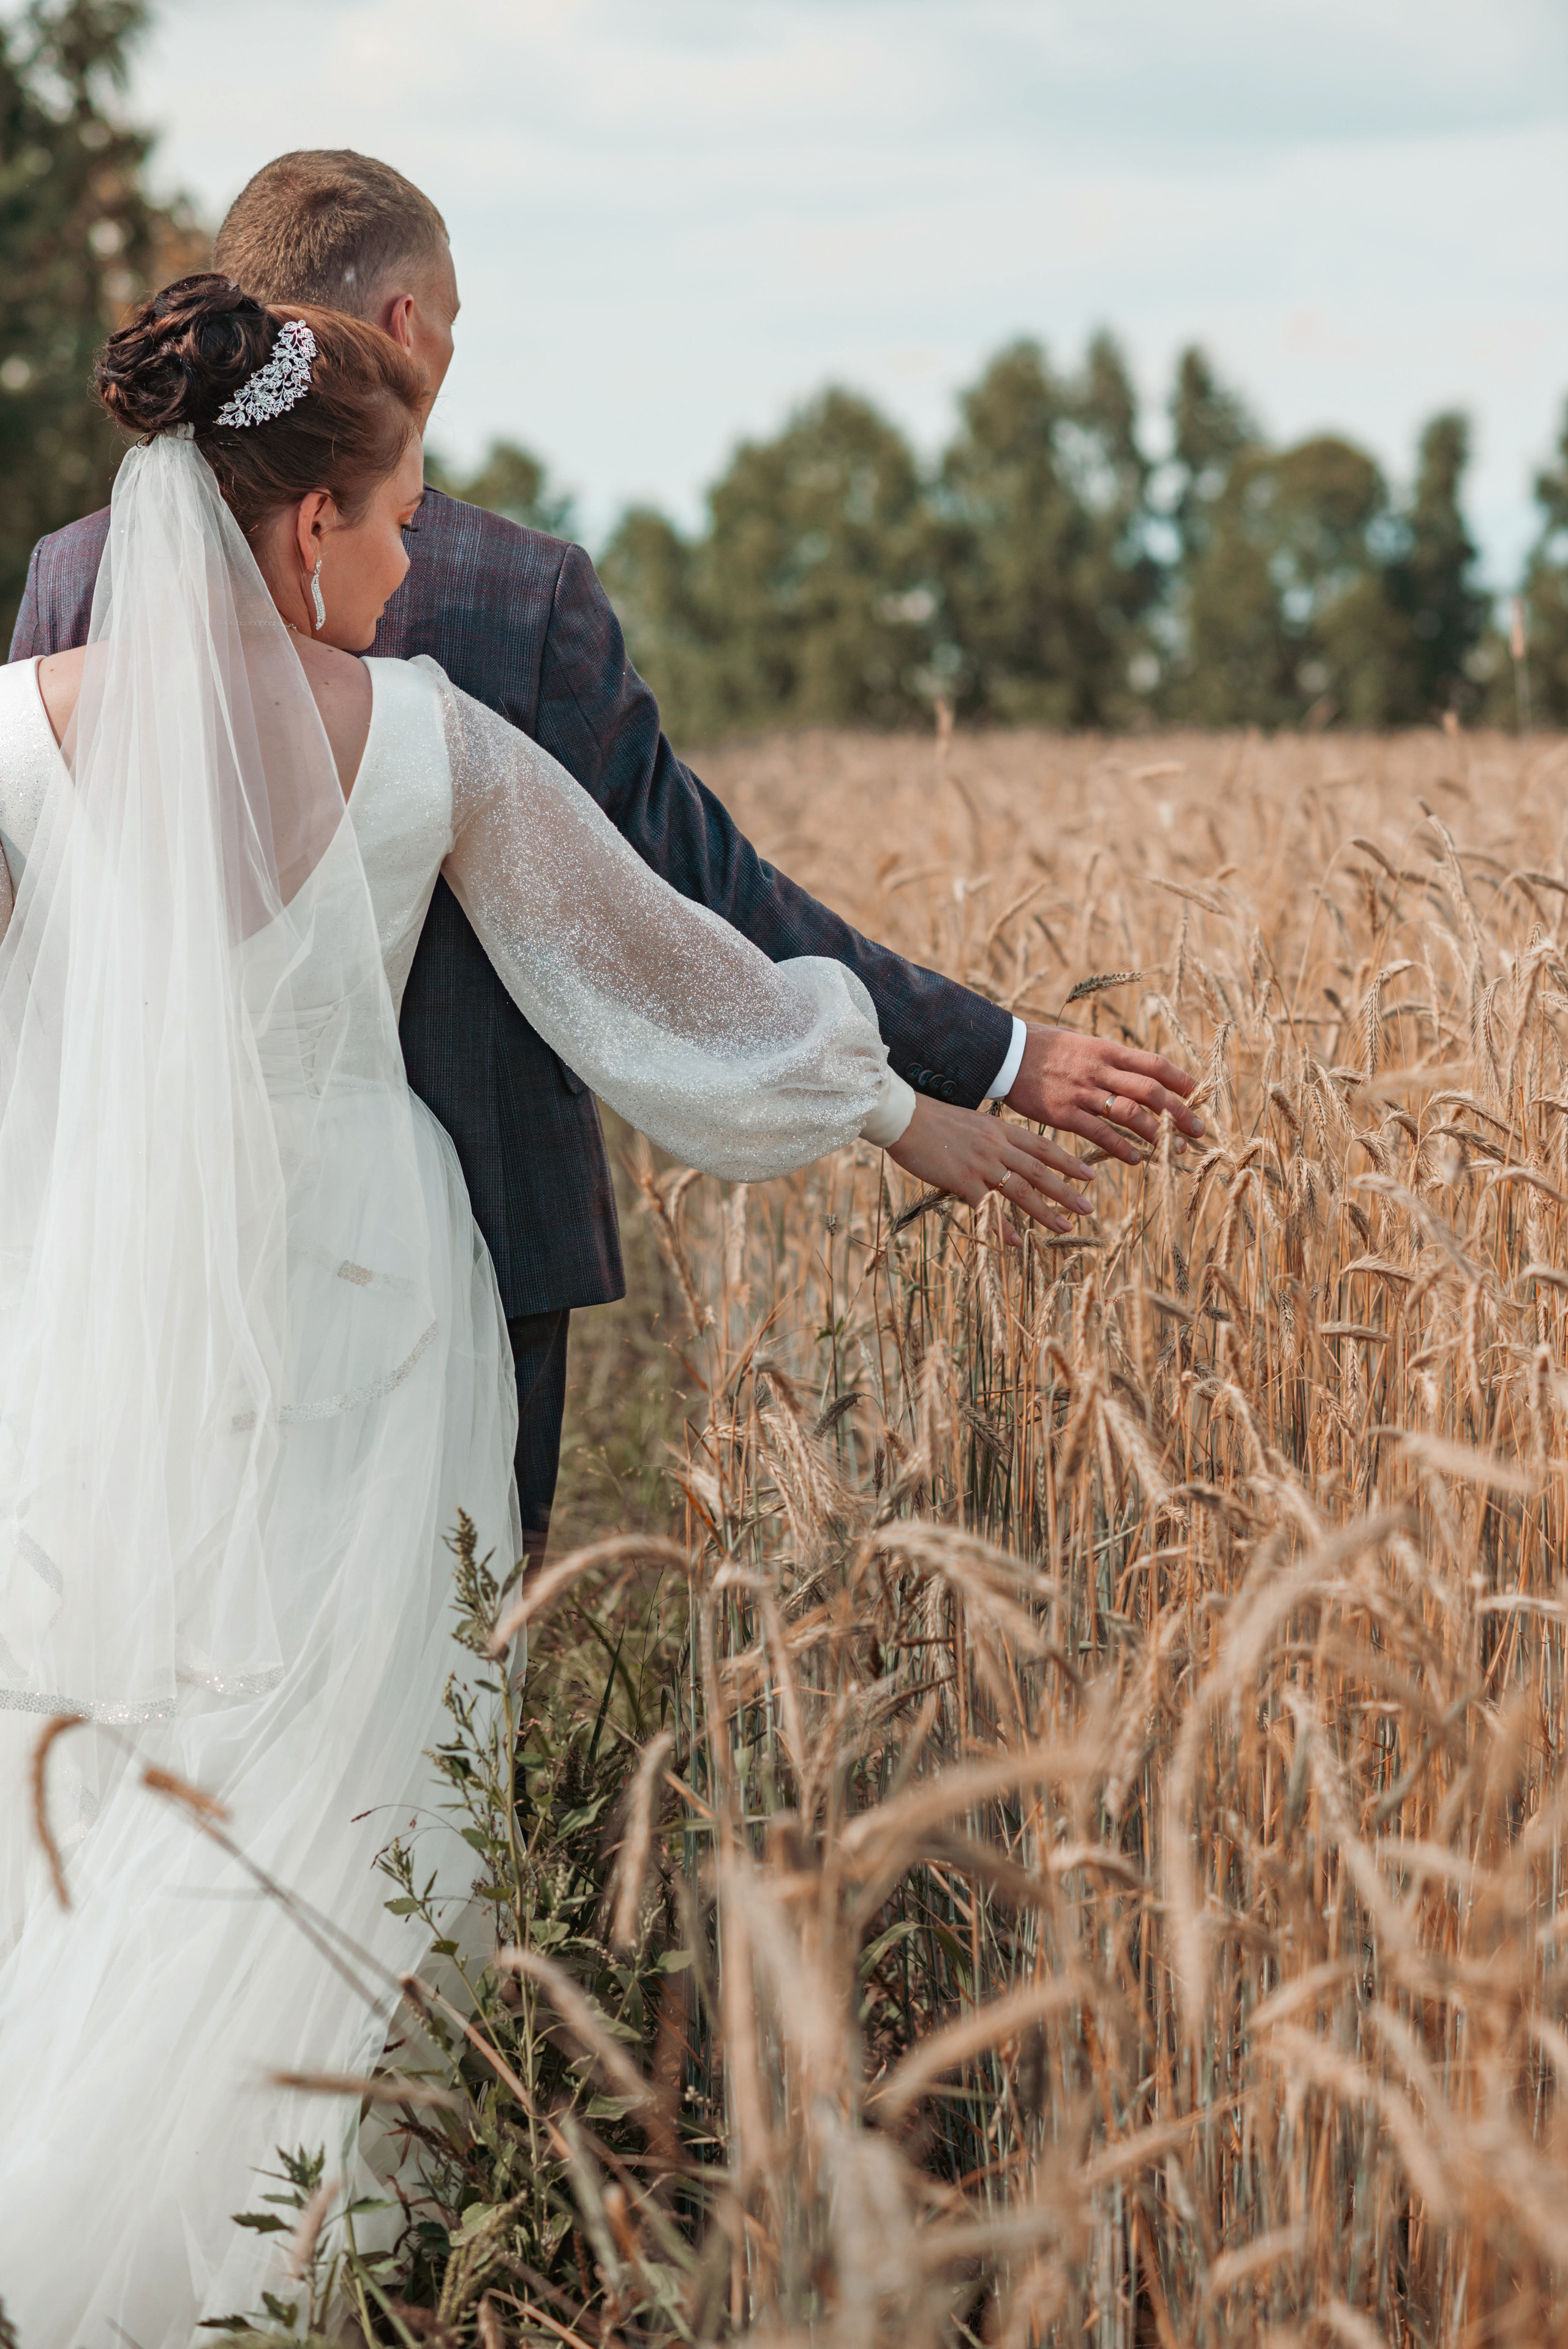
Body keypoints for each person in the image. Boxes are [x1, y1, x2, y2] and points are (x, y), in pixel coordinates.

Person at [0, 278, 1120, 2339]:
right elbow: (671, 977)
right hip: (372, 1289)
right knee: (353, 1732)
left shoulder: (12, 734)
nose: (421, 555)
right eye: (400, 511)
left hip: (97, 1278)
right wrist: (901, 1107)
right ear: (307, 527)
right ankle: (319, 2220)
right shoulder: (427, 739)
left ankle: (81, 2171)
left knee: (131, 1686)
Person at [10, 149, 1204, 1563]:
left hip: (125, 1241)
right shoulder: (512, 601)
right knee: (440, 1687)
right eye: (450, 319)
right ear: (397, 328)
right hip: (446, 1251)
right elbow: (687, 887)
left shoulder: (77, 581)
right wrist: (965, 1062)